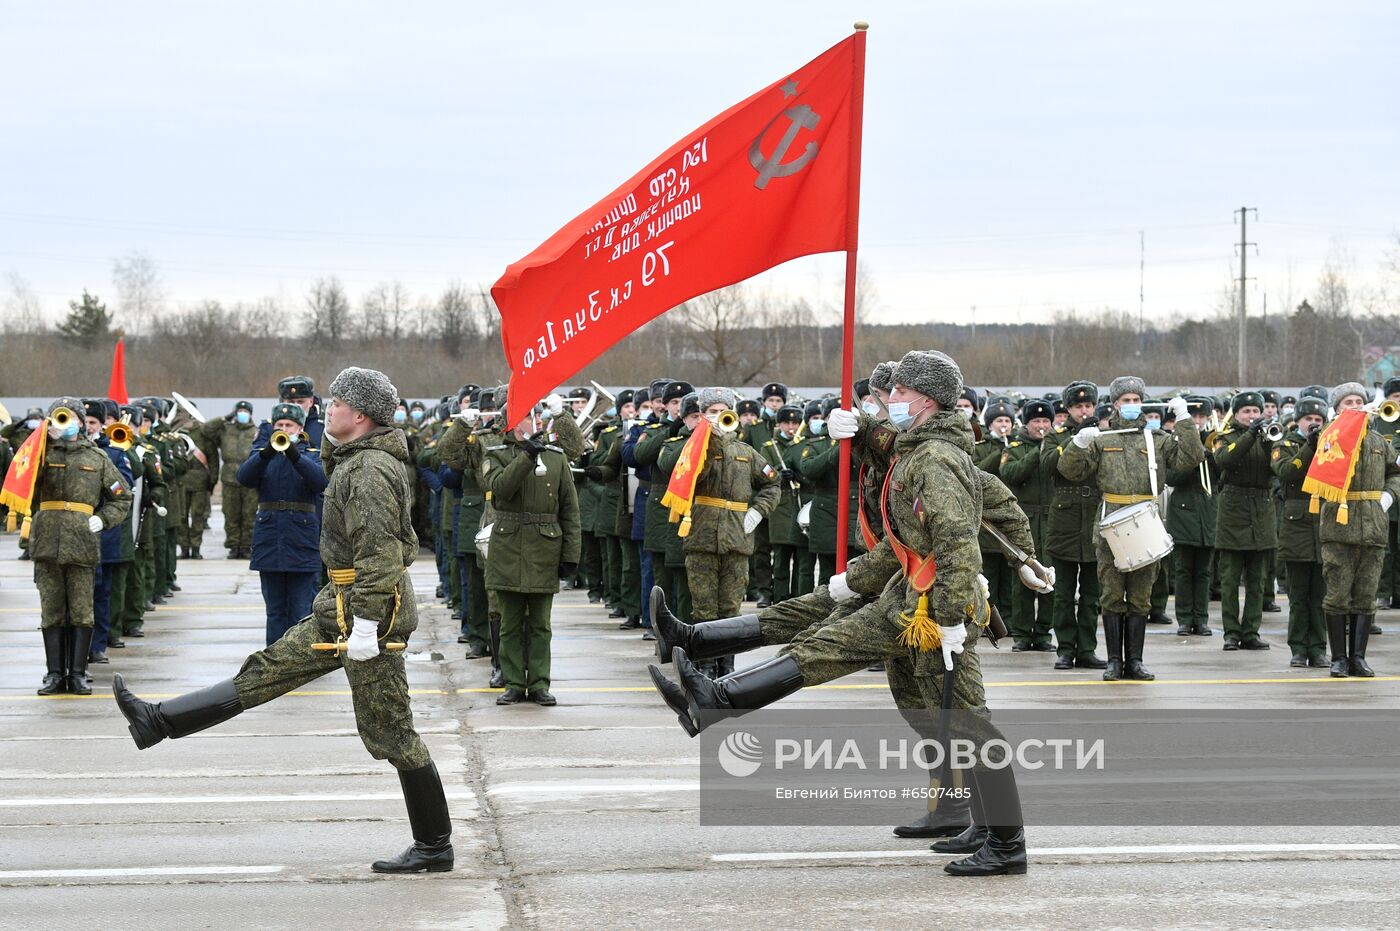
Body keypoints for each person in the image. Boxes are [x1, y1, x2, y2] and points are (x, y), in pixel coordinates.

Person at [649, 350, 1028, 876]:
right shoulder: (920, 448)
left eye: (896, 394)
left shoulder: (936, 458)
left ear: (924, 399)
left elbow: (959, 542)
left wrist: (949, 617)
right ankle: (713, 694)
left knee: (966, 722)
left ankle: (1007, 844)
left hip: (932, 605)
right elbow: (910, 512)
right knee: (940, 711)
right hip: (910, 593)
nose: (887, 400)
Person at [114, 366, 453, 874]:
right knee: (267, 668)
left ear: (359, 416)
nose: (326, 408)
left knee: (393, 732)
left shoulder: (368, 472)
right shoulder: (354, 462)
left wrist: (364, 626)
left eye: (336, 402)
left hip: (369, 615)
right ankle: (158, 721)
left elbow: (381, 555)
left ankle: (434, 845)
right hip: (340, 606)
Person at [1058, 377, 1202, 681]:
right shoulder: (1102, 439)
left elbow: (1191, 458)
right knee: (1111, 594)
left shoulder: (1158, 439)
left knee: (1140, 595)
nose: (1132, 405)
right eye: (1126, 400)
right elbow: (1070, 471)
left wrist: (1185, 420)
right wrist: (1077, 444)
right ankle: (1113, 661)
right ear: (1115, 405)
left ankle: (1134, 661)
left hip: (1147, 521)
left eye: (1137, 400)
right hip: (1111, 520)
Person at [660, 387, 780, 677]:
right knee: (703, 609)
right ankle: (705, 667)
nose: (717, 416)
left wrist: (757, 511)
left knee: (730, 610)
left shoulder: (747, 453)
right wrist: (704, 438)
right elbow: (681, 475)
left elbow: (772, 484)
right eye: (711, 412)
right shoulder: (694, 449)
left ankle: (727, 667)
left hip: (737, 540)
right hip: (702, 536)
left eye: (721, 411)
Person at [481, 395, 581, 705]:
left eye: (534, 416)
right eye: (525, 416)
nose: (532, 421)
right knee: (510, 622)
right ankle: (513, 682)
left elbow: (570, 511)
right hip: (508, 546)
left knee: (540, 624)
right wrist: (526, 456)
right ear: (511, 423)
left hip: (544, 547)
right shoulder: (495, 454)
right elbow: (500, 490)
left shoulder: (555, 457)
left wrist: (570, 556)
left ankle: (538, 682)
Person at [30, 397, 133, 694]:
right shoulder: (40, 455)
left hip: (82, 545)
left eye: (71, 417)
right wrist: (39, 445)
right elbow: (20, 482)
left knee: (81, 611)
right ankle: (53, 674)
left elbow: (121, 497)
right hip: (47, 542)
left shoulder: (96, 457)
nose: (66, 423)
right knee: (51, 611)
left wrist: (103, 519)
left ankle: (77, 673)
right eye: (59, 417)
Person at [1316, 382, 1400, 677]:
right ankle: (1338, 657)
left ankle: (1358, 658)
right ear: (1337, 408)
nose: (1355, 405)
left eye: (1359, 400)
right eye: (1348, 402)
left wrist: (1388, 497)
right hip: (1339, 527)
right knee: (1338, 594)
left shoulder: (1379, 441)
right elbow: (1322, 457)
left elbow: (1395, 473)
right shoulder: (1330, 436)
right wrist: (1347, 424)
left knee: (1366, 594)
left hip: (1373, 527)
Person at [236, 403, 328, 646]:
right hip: (270, 538)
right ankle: (274, 661)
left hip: (301, 537)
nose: (284, 429)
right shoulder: (262, 454)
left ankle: (300, 659)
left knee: (301, 609)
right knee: (275, 610)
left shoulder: (311, 453)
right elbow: (243, 477)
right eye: (280, 425)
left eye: (289, 425)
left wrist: (294, 454)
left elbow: (320, 482)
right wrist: (266, 452)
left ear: (300, 428)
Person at [1041, 381, 1106, 671]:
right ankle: (1065, 649)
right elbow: (1046, 465)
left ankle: (1087, 648)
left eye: (1089, 405)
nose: (1085, 410)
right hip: (1065, 518)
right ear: (1067, 409)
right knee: (1064, 592)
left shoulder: (1102, 435)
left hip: (1094, 515)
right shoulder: (1055, 436)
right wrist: (1076, 441)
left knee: (1092, 594)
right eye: (1079, 406)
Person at [1211, 391, 1278, 651]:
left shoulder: (1270, 436)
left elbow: (1277, 468)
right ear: (1236, 414)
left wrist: (1269, 441)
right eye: (1246, 411)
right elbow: (1224, 460)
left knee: (1257, 579)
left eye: (1255, 411)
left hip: (1261, 509)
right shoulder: (1225, 438)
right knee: (1229, 580)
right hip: (1233, 510)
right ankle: (1231, 632)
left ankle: (1251, 631)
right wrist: (1251, 436)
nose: (1251, 416)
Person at [1273, 397, 1328, 667]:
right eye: (1309, 420)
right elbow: (1286, 473)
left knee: (1319, 597)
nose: (1314, 424)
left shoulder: (1330, 446)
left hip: (1324, 523)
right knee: (1298, 596)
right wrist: (1309, 446)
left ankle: (1318, 648)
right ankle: (1298, 649)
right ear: (1298, 421)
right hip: (1296, 523)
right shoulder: (1285, 444)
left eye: (1319, 420)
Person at [998, 399, 1055, 651]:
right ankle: (1022, 633)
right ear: (1027, 424)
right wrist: (1038, 452)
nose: (1041, 426)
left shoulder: (1057, 446)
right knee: (1023, 575)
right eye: (1036, 422)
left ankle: (1043, 633)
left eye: (1045, 421)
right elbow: (1011, 473)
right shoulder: (1016, 447)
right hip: (1025, 521)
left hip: (1051, 520)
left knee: (1049, 576)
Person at [1165, 397, 1220, 637]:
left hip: (1208, 510)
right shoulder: (1175, 440)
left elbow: (1223, 476)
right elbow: (1171, 478)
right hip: (1184, 510)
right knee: (1183, 570)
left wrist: (1213, 457)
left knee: (1204, 571)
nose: (1198, 421)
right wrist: (1193, 458)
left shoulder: (1216, 441)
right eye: (1194, 416)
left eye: (1202, 417)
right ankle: (1185, 619)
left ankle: (1202, 619)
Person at [201, 400, 259, 559]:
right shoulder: (226, 430)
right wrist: (223, 419)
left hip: (250, 479)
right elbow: (205, 430)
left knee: (249, 515)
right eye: (239, 411)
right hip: (229, 479)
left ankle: (247, 546)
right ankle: (233, 546)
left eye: (245, 411)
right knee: (231, 514)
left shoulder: (256, 431)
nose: (242, 414)